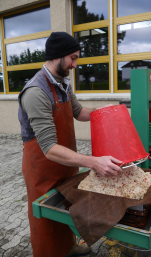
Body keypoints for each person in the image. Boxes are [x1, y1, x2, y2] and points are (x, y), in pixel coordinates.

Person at [18, 32, 122, 257]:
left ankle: (69, 247)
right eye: (72, 58)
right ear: (57, 56)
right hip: (43, 169)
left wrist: (104, 112)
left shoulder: (62, 83)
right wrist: (93, 162)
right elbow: (48, 148)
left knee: (68, 208)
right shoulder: (36, 92)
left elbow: (79, 112)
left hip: (65, 164)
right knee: (45, 220)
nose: (75, 64)